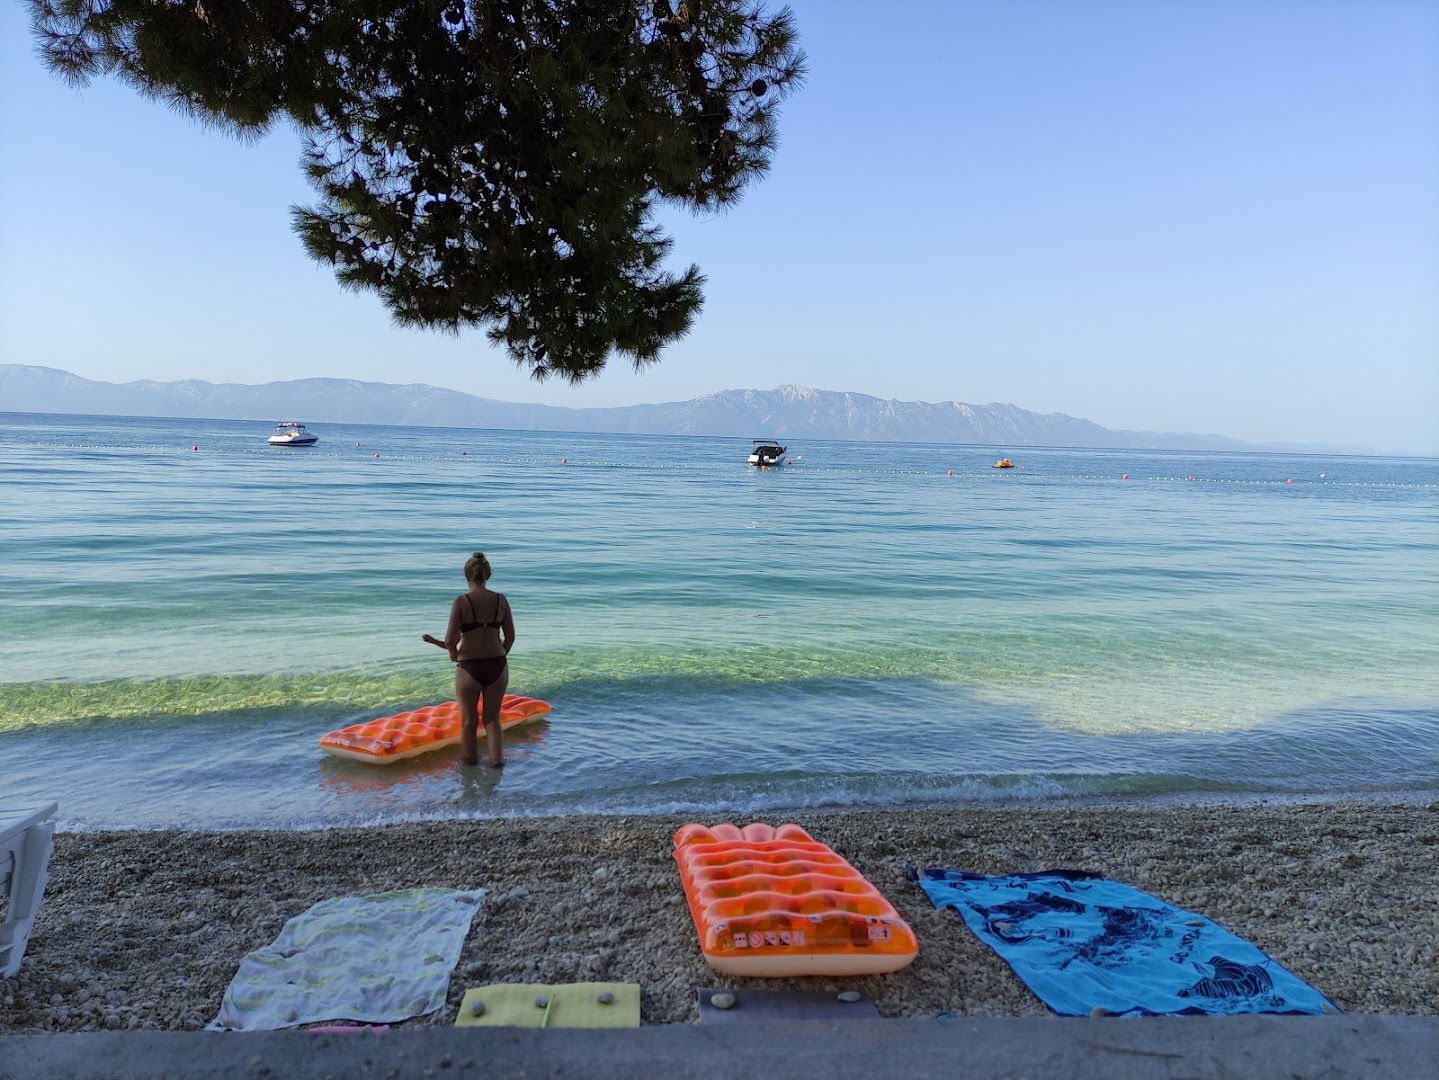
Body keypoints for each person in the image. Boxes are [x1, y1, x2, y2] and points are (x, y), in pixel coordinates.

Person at [437, 551, 515, 767]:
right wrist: (500, 654)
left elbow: (450, 640)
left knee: (468, 722)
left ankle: (469, 767)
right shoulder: (501, 600)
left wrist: (454, 655)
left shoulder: (462, 601)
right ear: (487, 575)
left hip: (469, 666)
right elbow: (510, 636)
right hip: (498, 666)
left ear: (466, 575)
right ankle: (497, 765)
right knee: (492, 720)